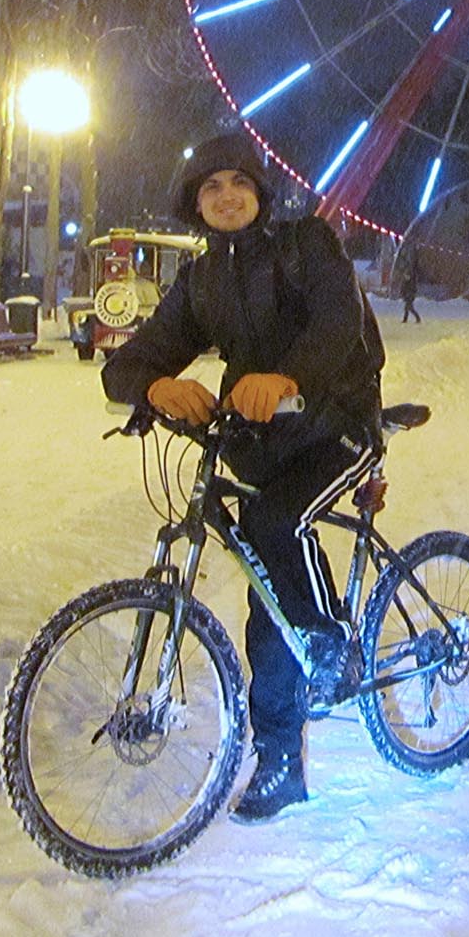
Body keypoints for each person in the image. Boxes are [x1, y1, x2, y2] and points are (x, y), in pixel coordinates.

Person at [102, 131, 385, 823]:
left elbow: (338, 324)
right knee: (266, 584)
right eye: (210, 187)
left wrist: (287, 378)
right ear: (194, 203)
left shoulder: (307, 245)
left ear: (261, 192)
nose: (226, 197)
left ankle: (329, 641)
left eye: (239, 183)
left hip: (338, 424)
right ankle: (279, 759)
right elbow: (131, 360)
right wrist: (154, 387)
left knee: (277, 522)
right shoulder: (201, 281)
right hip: (261, 443)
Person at [399, 243, 422, 324]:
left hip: (410, 295)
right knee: (407, 308)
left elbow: (411, 288)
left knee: (409, 308)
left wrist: (409, 294)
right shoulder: (407, 281)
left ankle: (417, 318)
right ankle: (406, 319)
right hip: (408, 295)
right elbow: (404, 287)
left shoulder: (411, 281)